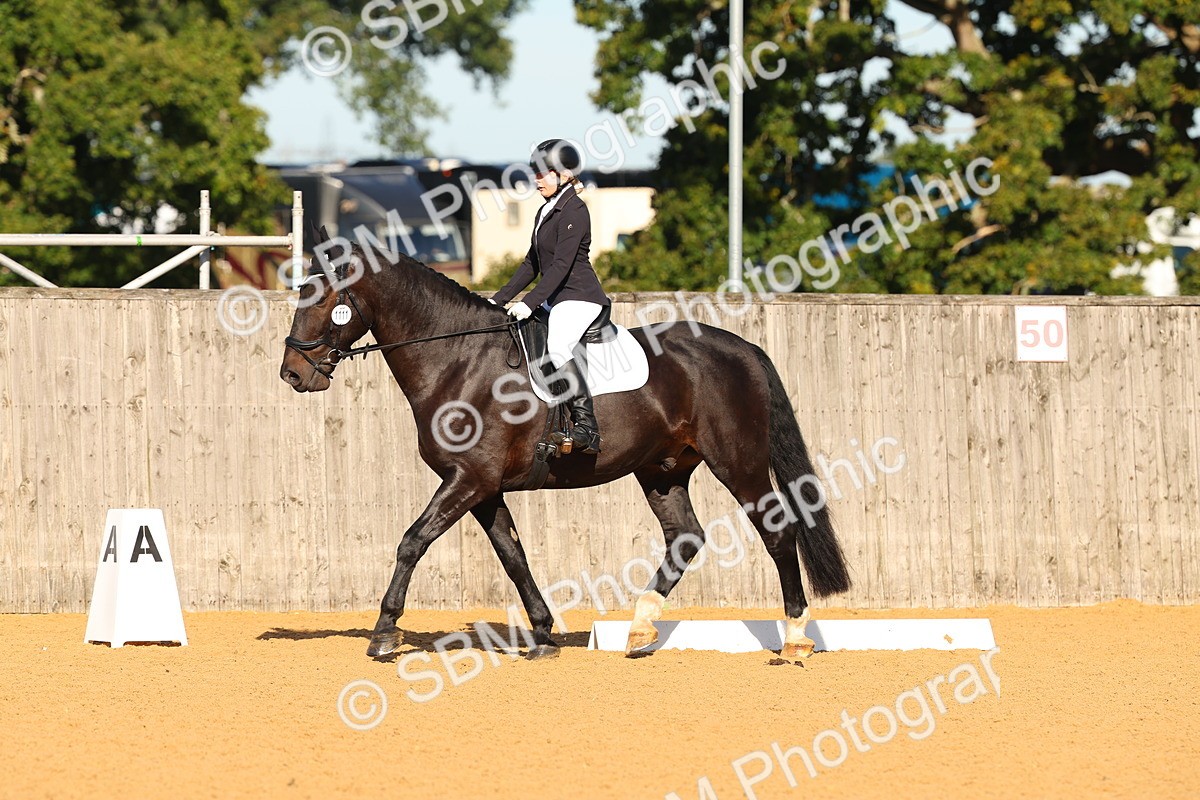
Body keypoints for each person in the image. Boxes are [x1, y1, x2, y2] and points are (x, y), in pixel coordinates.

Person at [491, 139, 610, 454]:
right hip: (556, 298)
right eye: (535, 173)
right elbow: (531, 264)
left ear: (565, 175)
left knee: (558, 346)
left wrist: (528, 302)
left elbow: (560, 266)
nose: (536, 180)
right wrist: (497, 301)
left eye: (543, 173)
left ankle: (587, 427)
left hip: (580, 297)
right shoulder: (546, 210)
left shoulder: (575, 210)